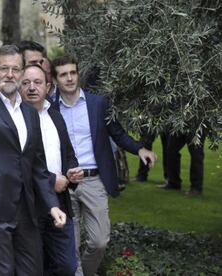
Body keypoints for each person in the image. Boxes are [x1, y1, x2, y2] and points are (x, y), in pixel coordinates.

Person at [0, 44, 66, 276]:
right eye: (4, 68)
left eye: (16, 69)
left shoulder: (29, 112)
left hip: (25, 209)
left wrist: (52, 204)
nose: (10, 74)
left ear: (23, 72)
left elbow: (36, 165)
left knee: (32, 270)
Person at [51, 55, 157, 276]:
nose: (69, 78)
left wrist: (140, 149)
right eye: (63, 74)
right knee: (71, 245)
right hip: (64, 183)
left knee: (99, 241)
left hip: (93, 180)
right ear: (55, 79)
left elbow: (117, 132)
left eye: (73, 72)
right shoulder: (49, 108)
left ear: (78, 74)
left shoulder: (98, 103)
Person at [20, 64, 83, 276]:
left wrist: (73, 172)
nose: (31, 88)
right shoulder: (15, 120)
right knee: (36, 266)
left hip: (60, 201)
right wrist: (50, 181)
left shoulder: (55, 115)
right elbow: (20, 163)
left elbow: (68, 153)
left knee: (67, 266)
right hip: (29, 206)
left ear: (48, 87)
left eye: (37, 82)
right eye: (26, 83)